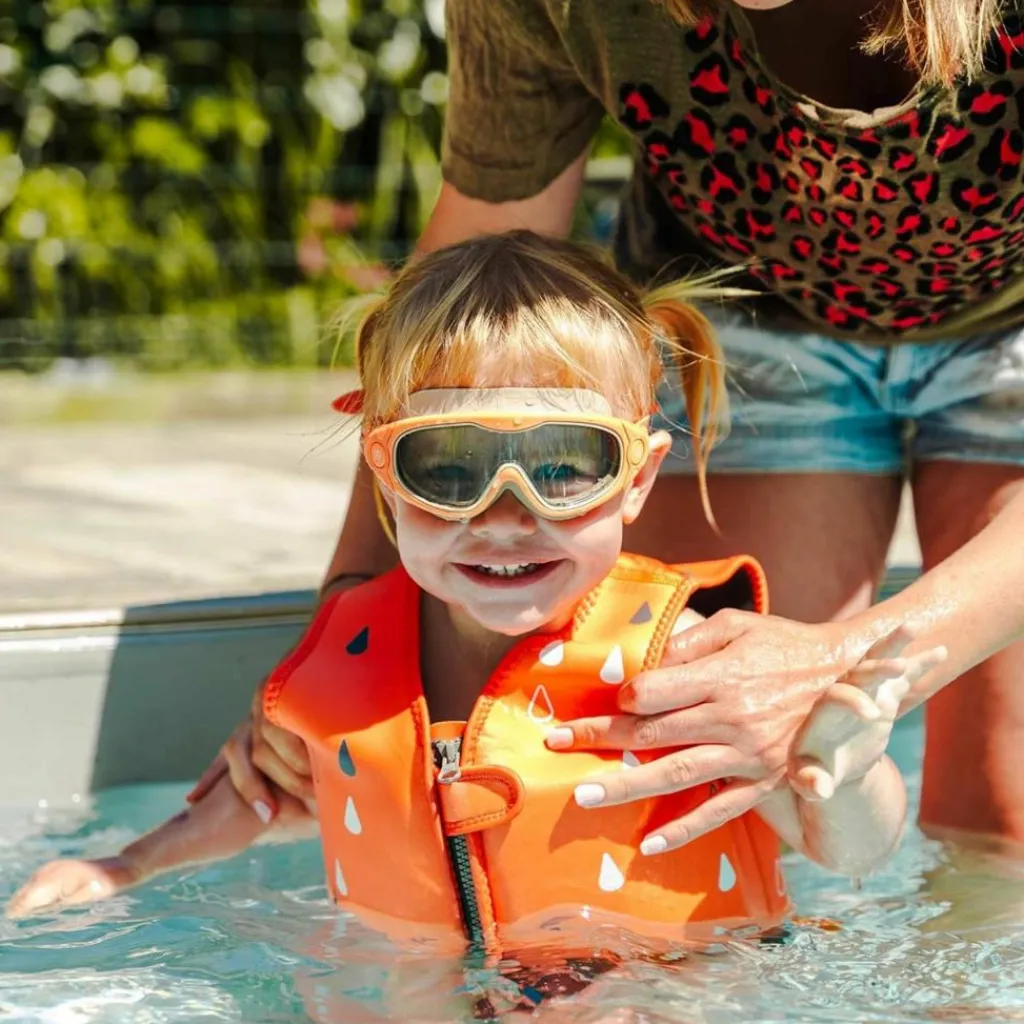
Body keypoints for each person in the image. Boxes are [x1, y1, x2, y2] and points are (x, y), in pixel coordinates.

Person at [192, 0, 1024, 856]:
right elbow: (465, 288)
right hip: (744, 319)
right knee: (718, 782)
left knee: (1001, 831)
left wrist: (841, 661)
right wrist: (341, 625)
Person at [7, 235, 941, 959]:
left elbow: (850, 851)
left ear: (638, 480)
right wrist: (121, 867)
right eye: (447, 467)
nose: (504, 517)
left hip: (669, 991)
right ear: (382, 474)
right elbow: (251, 805)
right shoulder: (350, 656)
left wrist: (850, 772)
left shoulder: (685, 661)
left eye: (564, 466)